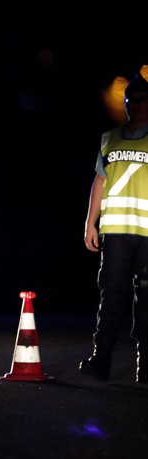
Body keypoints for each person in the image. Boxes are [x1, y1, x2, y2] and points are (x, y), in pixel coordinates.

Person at [80, 73, 148, 384]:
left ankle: (145, 364)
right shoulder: (110, 138)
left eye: (141, 99)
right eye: (130, 100)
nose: (135, 105)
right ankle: (100, 359)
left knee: (146, 301)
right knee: (111, 296)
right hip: (116, 232)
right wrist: (90, 222)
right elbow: (100, 181)